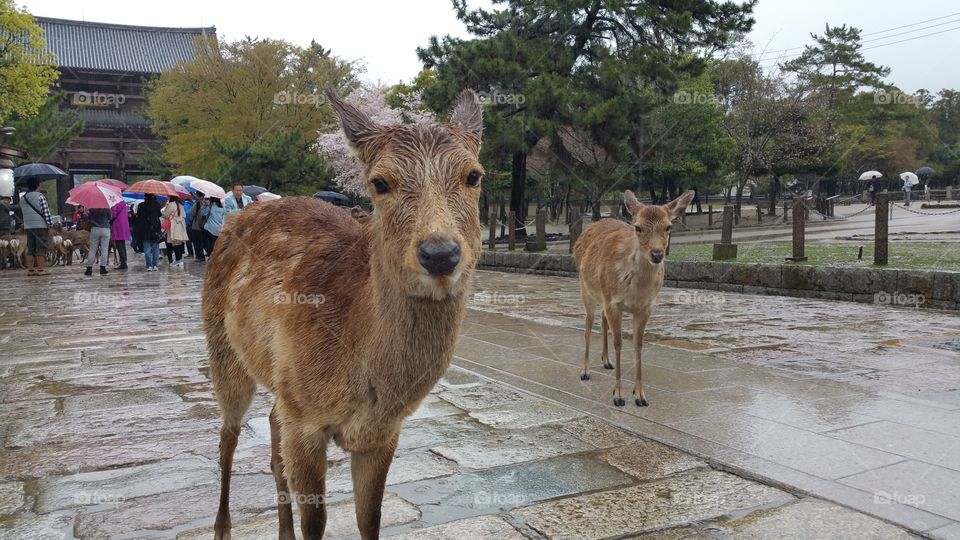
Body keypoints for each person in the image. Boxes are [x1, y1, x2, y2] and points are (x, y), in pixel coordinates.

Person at [19, 178, 53, 275]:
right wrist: (50, 225)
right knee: (41, 247)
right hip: (41, 226)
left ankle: (30, 270)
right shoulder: (40, 197)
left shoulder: (23, 198)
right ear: (38, 185)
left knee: (31, 248)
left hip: (28, 226)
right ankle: (41, 269)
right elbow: (46, 213)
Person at [137, 194, 163, 271]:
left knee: (147, 248)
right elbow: (159, 215)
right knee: (156, 248)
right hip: (156, 228)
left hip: (145, 229)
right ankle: (155, 265)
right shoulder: (157, 205)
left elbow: (139, 216)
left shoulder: (141, 205)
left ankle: (149, 265)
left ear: (145, 196)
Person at [83, 207, 111, 276]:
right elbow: (110, 218)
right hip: (105, 229)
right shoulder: (107, 207)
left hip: (95, 229)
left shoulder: (92, 208)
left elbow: (88, 218)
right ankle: (103, 268)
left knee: (92, 250)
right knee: (104, 249)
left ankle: (89, 268)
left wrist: (85, 213)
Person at [162, 196, 189, 267]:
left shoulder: (171, 204)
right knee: (179, 242)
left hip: (173, 226)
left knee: (175, 242)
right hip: (180, 225)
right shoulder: (181, 205)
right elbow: (184, 215)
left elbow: (165, 215)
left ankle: (178, 259)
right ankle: (179, 259)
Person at [110, 201, 130, 270]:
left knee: (119, 245)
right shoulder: (123, 202)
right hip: (124, 224)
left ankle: (123, 263)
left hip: (117, 224)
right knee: (122, 244)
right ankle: (124, 261)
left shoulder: (114, 202)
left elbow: (113, 214)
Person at [188, 192, 206, 261]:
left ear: (199, 195)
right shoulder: (207, 202)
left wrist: (191, 219)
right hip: (204, 226)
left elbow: (191, 213)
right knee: (203, 242)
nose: (195, 195)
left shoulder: (197, 203)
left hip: (196, 226)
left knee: (197, 243)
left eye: (196, 194)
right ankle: (203, 255)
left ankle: (199, 257)